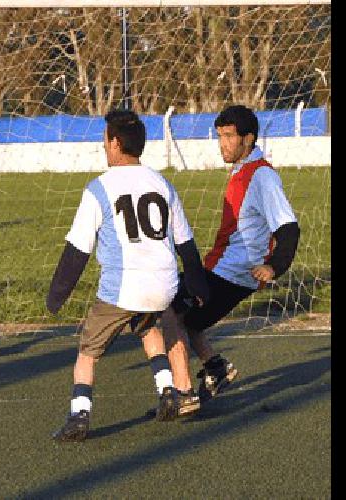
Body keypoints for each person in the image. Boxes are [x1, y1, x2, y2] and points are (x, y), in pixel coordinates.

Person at [46, 110, 210, 442]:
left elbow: (77, 251)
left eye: (105, 139)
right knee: (147, 326)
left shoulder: (99, 188)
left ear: (116, 143)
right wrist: (197, 283)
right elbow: (187, 243)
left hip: (123, 288)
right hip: (164, 285)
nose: (103, 146)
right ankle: (167, 391)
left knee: (87, 351)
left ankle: (79, 415)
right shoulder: (162, 183)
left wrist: (57, 295)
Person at [160, 104, 301, 412]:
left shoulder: (262, 175)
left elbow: (289, 227)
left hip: (234, 273)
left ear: (247, 139)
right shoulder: (242, 170)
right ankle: (215, 368)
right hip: (221, 267)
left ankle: (181, 393)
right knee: (187, 316)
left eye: (228, 136)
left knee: (169, 312)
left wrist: (274, 266)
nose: (222, 143)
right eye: (219, 136)